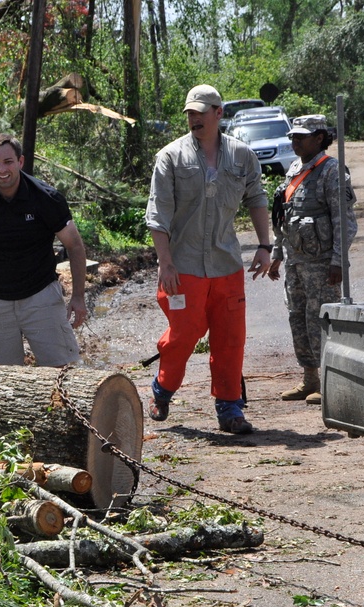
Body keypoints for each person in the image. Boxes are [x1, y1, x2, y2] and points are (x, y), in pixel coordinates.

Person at [145, 84, 273, 434]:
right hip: (183, 266)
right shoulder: (171, 157)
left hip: (226, 264)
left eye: (201, 111)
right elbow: (158, 216)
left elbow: (257, 199)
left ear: (219, 113)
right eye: (190, 112)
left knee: (231, 337)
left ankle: (230, 409)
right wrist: (165, 262)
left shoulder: (242, 156)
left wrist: (265, 245)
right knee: (184, 334)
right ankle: (163, 388)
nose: (194, 118)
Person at [0, 133, 87, 366]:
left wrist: (79, 296)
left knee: (64, 372)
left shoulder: (46, 198)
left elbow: (74, 245)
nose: (2, 169)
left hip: (40, 296)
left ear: (20, 162)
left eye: (8, 162)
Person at [268, 115, 358, 405]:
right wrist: (277, 253)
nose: (295, 141)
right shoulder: (294, 169)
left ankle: (330, 380)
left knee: (320, 319)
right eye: (293, 136)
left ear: (319, 138)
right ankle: (310, 379)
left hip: (321, 263)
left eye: (301, 136)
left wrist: (337, 260)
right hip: (296, 260)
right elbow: (284, 216)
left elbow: (344, 220)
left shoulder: (331, 171)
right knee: (298, 318)